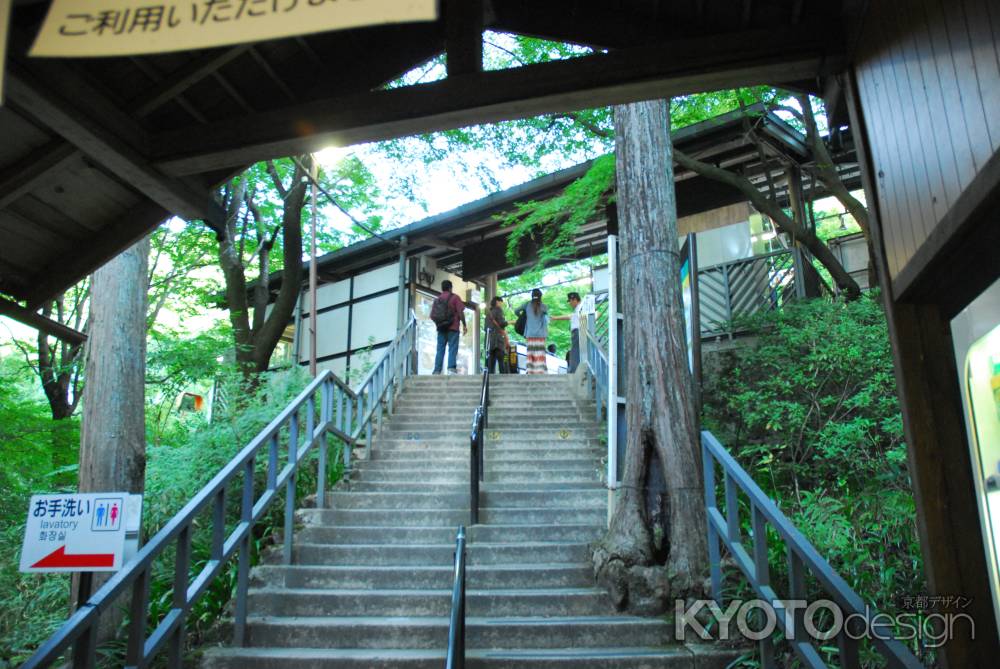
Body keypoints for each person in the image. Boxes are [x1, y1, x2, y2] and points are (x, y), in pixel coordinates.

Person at [431, 279, 467, 374]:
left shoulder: (437, 300)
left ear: (442, 288)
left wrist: (440, 323)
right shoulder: (455, 298)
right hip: (453, 328)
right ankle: (451, 368)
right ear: (450, 288)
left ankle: (437, 370)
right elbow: (460, 312)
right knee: (452, 348)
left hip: (441, 329)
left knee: (440, 349)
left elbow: (432, 316)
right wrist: (464, 325)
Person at [516, 288, 549, 374]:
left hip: (530, 334)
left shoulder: (527, 305)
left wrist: (522, 316)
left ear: (532, 296)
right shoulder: (544, 307)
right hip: (540, 334)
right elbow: (547, 318)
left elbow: (516, 311)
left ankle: (530, 371)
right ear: (540, 296)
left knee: (531, 353)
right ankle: (540, 371)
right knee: (540, 353)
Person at [551, 292, 583, 373]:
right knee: (575, 352)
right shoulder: (577, 309)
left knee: (575, 352)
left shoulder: (582, 307)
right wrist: (555, 318)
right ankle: (575, 369)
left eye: (570, 301)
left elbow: (597, 314)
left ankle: (573, 371)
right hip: (577, 332)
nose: (569, 303)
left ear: (575, 299)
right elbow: (569, 316)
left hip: (579, 331)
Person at [485, 296, 509, 374]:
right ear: (497, 302)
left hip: (490, 341)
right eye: (501, 302)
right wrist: (510, 322)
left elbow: (486, 327)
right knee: (502, 362)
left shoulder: (489, 313)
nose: (502, 304)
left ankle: (490, 382)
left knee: (491, 364)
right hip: (498, 341)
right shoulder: (498, 310)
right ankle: (504, 382)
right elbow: (502, 324)